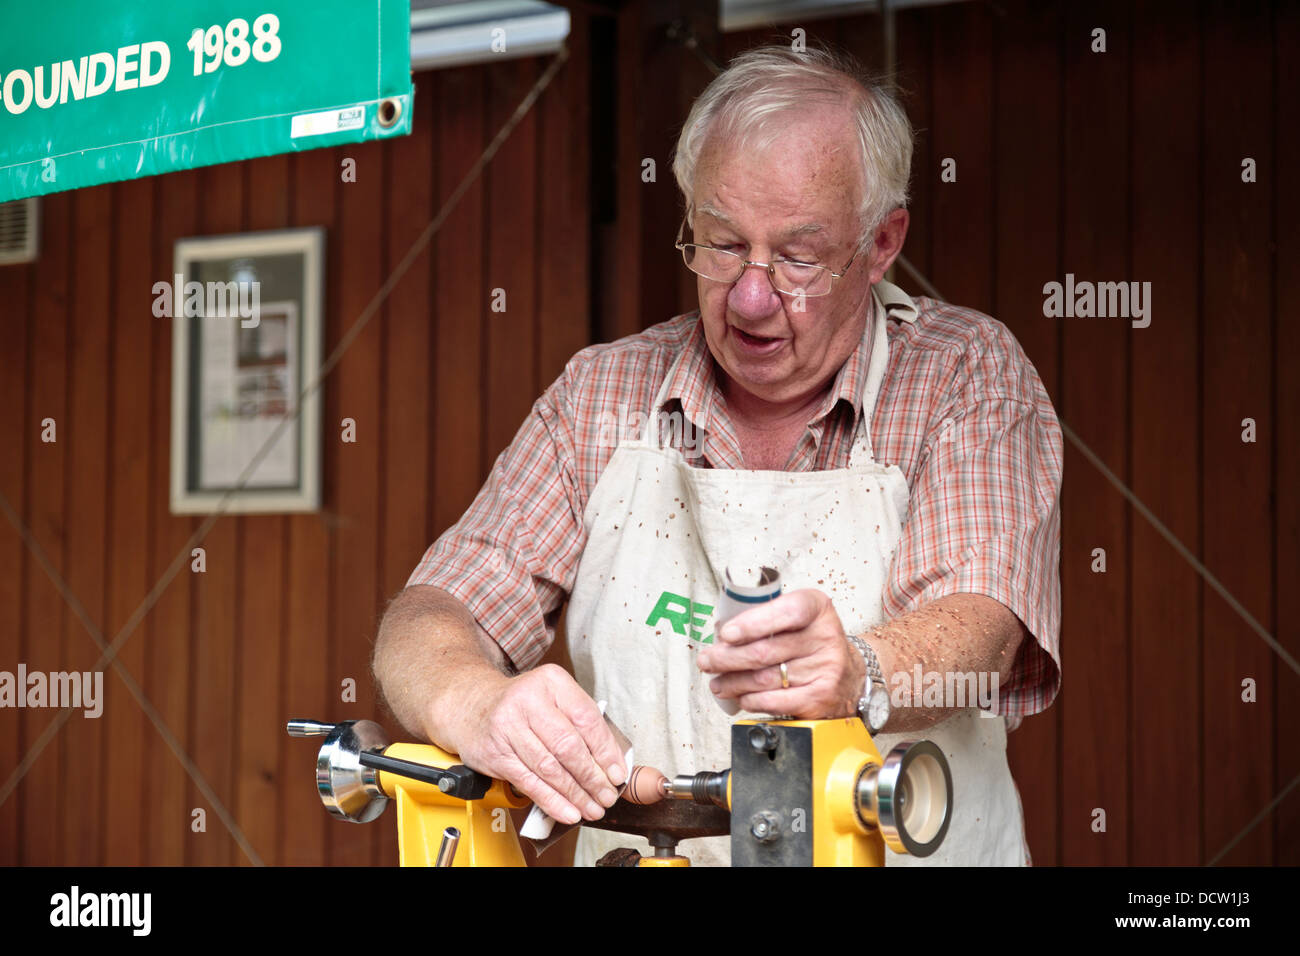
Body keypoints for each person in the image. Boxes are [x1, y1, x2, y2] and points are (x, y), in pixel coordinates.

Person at [373, 45, 1062, 866]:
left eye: (798, 257)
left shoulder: (964, 372)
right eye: (723, 243)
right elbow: (429, 615)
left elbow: (980, 627)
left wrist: (861, 671)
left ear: (881, 244)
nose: (750, 296)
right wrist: (472, 699)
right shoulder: (603, 392)